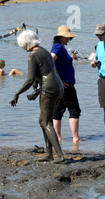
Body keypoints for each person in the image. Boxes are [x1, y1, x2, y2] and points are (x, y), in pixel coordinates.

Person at [9, 30, 65, 163]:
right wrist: (36, 89)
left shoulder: (33, 55)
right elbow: (41, 73)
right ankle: (49, 154)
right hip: (58, 86)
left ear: (26, 43)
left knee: (45, 122)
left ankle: (60, 156)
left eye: (22, 45)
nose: (22, 48)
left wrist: (17, 93)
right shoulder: (45, 51)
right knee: (44, 121)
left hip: (49, 88)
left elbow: (29, 80)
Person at [50, 25, 81, 147]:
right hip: (65, 84)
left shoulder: (59, 47)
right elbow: (51, 60)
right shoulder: (58, 47)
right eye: (66, 36)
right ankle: (75, 138)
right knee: (74, 110)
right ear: (60, 37)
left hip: (62, 84)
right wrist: (59, 79)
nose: (68, 38)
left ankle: (58, 138)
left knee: (58, 111)